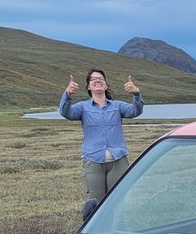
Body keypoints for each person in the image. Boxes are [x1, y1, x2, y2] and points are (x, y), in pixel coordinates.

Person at [59, 68, 143, 209]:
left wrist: (136, 94)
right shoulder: (82, 107)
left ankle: (116, 229)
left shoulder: (117, 106)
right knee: (95, 204)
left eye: (101, 79)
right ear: (88, 86)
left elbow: (136, 111)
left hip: (118, 161)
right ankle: (94, 231)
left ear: (106, 85)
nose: (97, 80)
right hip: (93, 161)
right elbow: (66, 112)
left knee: (117, 202)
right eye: (93, 79)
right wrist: (67, 94)